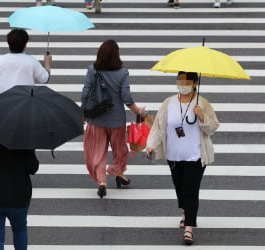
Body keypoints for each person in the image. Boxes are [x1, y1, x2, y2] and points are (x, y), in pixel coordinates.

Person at [146, 71, 219, 245]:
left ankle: (189, 228)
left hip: (195, 155)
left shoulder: (203, 103)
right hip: (174, 155)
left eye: (187, 81)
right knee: (180, 188)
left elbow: (213, 128)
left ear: (195, 83)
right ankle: (185, 211)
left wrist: (202, 116)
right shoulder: (168, 103)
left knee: (191, 190)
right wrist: (151, 145)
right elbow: (158, 128)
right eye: (180, 80)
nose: (183, 84)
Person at [81, 39, 145, 199]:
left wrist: (84, 112)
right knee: (120, 150)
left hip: (96, 118)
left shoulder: (92, 70)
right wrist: (137, 110)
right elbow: (126, 97)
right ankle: (117, 171)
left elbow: (85, 93)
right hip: (116, 120)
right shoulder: (122, 73)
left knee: (97, 151)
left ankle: (102, 181)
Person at [0, 137, 39, 250]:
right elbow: (33, 168)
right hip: (17, 198)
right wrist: (31, 149)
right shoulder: (24, 142)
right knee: (19, 230)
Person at [0, 28, 52, 102]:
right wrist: (47, 63)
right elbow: (45, 78)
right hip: (25, 104)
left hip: (4, 104)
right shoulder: (31, 61)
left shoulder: (0, 61)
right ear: (25, 44)